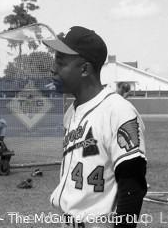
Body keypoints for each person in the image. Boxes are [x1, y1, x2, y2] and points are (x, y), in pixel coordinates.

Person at [43, 26, 147, 228]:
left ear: (84, 69)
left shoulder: (118, 111)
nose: (53, 69)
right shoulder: (71, 112)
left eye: (61, 62)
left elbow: (132, 184)